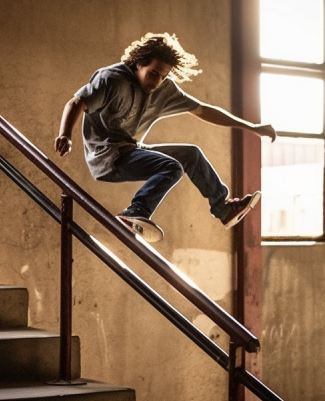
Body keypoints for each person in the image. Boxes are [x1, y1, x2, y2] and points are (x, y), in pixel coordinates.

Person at [53, 32, 277, 243]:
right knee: (171, 167)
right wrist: (65, 134)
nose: (156, 82)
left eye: (163, 76)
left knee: (191, 154)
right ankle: (135, 212)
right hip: (107, 157)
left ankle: (223, 209)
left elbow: (203, 110)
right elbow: (76, 102)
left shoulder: (164, 89)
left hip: (131, 150)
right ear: (138, 63)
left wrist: (251, 127)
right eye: (153, 73)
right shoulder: (111, 80)